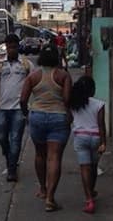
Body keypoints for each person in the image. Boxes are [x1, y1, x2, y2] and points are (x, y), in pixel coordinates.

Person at [20, 44, 72, 212]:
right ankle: (50, 199)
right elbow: (67, 99)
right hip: (59, 117)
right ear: (56, 58)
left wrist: (27, 113)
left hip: (37, 117)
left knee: (40, 155)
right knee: (54, 157)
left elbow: (22, 100)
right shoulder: (63, 76)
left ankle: (42, 189)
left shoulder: (33, 76)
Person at [0, 34, 33, 182]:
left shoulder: (26, 64)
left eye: (14, 47)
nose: (12, 50)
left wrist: (30, 104)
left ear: (18, 47)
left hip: (19, 109)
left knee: (15, 139)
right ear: (6, 47)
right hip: (2, 108)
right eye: (9, 47)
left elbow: (33, 84)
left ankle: (12, 169)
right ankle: (9, 158)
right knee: (2, 137)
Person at [69, 76, 106, 214]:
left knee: (85, 168)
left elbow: (69, 118)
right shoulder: (99, 104)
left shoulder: (74, 103)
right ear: (92, 90)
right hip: (95, 138)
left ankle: (89, 199)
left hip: (80, 137)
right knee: (94, 167)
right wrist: (103, 143)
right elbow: (101, 125)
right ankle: (92, 189)